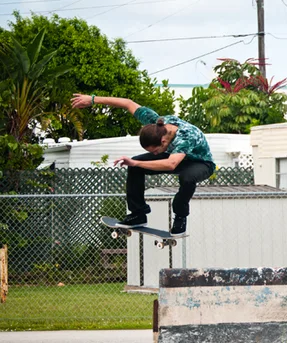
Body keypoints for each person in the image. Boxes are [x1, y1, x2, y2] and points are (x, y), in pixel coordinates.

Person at [71, 94, 215, 236]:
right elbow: (127, 102)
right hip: (176, 157)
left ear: (163, 142)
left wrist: (137, 162)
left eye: (155, 151)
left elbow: (171, 164)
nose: (156, 154)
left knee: (187, 177)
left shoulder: (186, 136)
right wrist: (93, 99)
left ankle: (180, 217)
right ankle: (138, 214)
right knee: (135, 166)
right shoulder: (155, 121)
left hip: (201, 163)